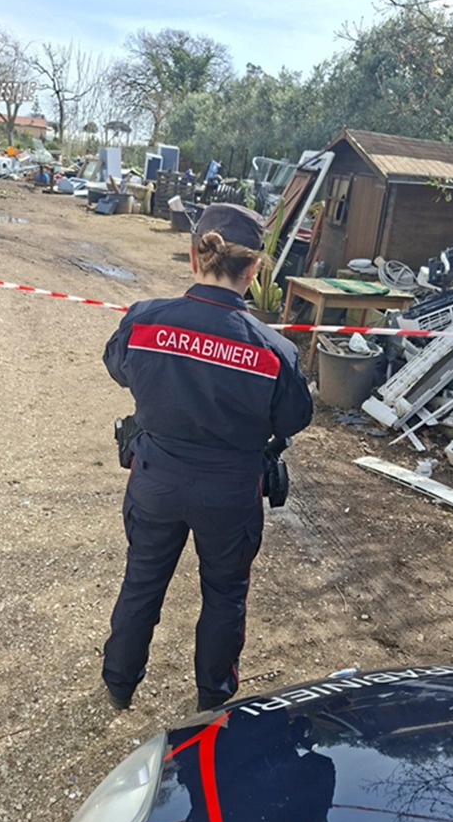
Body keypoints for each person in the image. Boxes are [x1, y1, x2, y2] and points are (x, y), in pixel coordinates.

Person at [102, 203, 313, 712]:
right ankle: (213, 700)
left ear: (196, 256)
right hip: (230, 492)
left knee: (142, 581)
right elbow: (293, 419)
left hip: (155, 479)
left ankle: (118, 684)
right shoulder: (274, 351)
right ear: (255, 268)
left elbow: (118, 368)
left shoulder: (144, 320)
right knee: (224, 597)